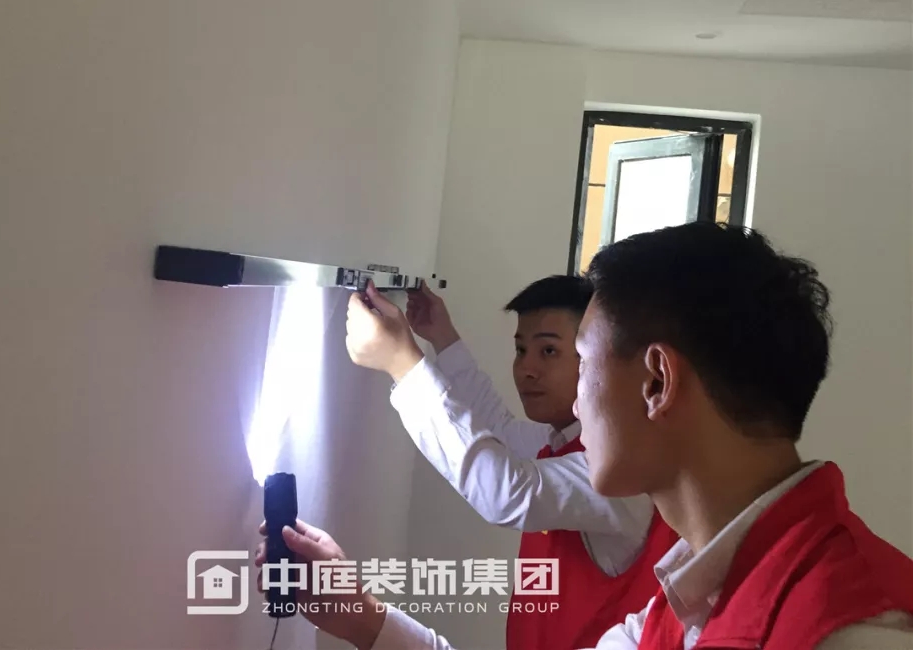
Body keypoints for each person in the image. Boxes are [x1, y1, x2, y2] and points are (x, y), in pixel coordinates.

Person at [255, 223, 913, 649]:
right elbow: (499, 433)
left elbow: (505, 483)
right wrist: (363, 616)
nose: (570, 396)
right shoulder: (679, 604)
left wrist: (406, 365)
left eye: (582, 360)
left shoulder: (859, 627)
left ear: (656, 381)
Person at [393, 276, 676, 649]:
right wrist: (442, 337)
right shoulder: (559, 441)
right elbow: (498, 430)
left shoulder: (621, 473)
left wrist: (403, 365)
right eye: (520, 349)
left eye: (549, 351)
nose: (527, 368)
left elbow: (506, 492)